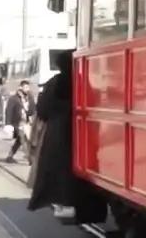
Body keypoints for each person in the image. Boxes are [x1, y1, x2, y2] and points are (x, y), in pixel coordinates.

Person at [29, 50, 104, 223]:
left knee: (59, 169)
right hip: (83, 131)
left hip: (58, 132)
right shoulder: (83, 81)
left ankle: (63, 202)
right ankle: (86, 206)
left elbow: (43, 110)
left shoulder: (54, 83)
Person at [4, 80, 32, 163]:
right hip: (17, 123)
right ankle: (30, 158)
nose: (28, 89)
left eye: (28, 87)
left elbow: (32, 109)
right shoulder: (14, 98)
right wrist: (8, 123)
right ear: (20, 87)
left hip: (26, 122)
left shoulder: (29, 98)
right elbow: (8, 111)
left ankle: (10, 156)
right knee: (24, 140)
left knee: (20, 140)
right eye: (26, 87)